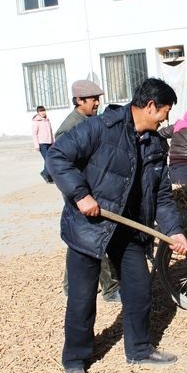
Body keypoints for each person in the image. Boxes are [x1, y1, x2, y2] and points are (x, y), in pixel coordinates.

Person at [46, 78, 187, 373]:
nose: (165, 119)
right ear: (150, 106)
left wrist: (174, 230)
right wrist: (81, 195)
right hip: (89, 227)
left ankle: (139, 349)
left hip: (129, 228)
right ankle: (75, 359)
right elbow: (57, 156)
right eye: (165, 111)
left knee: (139, 290)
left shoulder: (154, 144)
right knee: (82, 298)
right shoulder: (100, 127)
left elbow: (161, 195)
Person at [55, 79, 121, 304]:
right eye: (93, 99)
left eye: (98, 99)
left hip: (92, 189)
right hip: (81, 193)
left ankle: (70, 285)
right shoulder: (69, 128)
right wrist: (80, 195)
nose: (97, 103)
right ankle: (110, 289)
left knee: (80, 239)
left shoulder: (91, 120)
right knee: (95, 237)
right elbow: (62, 166)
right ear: (79, 100)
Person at [32, 105, 54, 183]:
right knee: (48, 159)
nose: (43, 112)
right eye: (41, 111)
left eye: (43, 110)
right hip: (42, 144)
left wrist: (53, 142)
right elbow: (34, 134)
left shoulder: (47, 120)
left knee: (50, 159)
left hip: (50, 142)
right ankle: (45, 173)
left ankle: (47, 175)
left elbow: (51, 132)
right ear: (38, 112)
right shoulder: (36, 122)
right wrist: (36, 146)